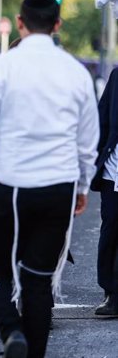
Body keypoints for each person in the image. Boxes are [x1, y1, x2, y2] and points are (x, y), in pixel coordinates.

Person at [0, 0, 99, 358]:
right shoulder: (76, 72)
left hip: (9, 185)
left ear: (19, 22)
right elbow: (86, 141)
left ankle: (12, 333)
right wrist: (81, 185)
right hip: (58, 187)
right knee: (38, 278)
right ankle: (32, 352)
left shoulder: (1, 67)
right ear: (57, 25)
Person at [90, 67, 118, 317]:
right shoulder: (117, 75)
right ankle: (112, 292)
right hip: (114, 170)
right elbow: (102, 120)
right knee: (111, 228)